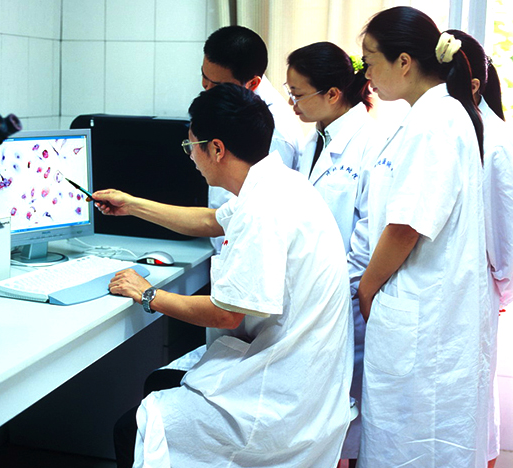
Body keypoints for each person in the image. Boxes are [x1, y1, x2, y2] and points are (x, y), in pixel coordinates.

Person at [92, 83, 353, 468]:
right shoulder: (279, 183)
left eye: (191, 146)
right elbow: (211, 220)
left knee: (131, 429)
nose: (191, 156)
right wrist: (132, 205)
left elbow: (226, 314)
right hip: (300, 377)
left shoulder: (261, 209)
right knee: (158, 384)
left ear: (216, 149)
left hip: (276, 401)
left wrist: (149, 294)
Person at [357, 6, 491, 468]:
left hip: (424, 313)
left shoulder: (434, 122)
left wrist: (367, 287)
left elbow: (406, 226)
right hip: (425, 309)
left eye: (370, 61)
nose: (366, 74)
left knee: (415, 444)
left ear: (404, 62)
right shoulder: (435, 115)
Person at [285, 41, 384, 466]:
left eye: (297, 94)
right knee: (320, 418)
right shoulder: (313, 139)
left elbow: (368, 238)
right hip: (315, 294)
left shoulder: (372, 143)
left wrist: (331, 289)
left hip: (346, 300)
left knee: (347, 417)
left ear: (332, 93)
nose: (292, 104)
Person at [447, 28, 513, 468]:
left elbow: (506, 228)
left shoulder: (496, 139)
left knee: (472, 398)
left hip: (475, 288)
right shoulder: (443, 129)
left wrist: (502, 289)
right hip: (451, 287)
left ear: (472, 85)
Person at [202, 25, 302, 252]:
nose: (207, 88)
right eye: (204, 77)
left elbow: (264, 215)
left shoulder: (275, 132)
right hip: (226, 239)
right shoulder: (234, 105)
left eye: (216, 85)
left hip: (249, 249)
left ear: (253, 83)